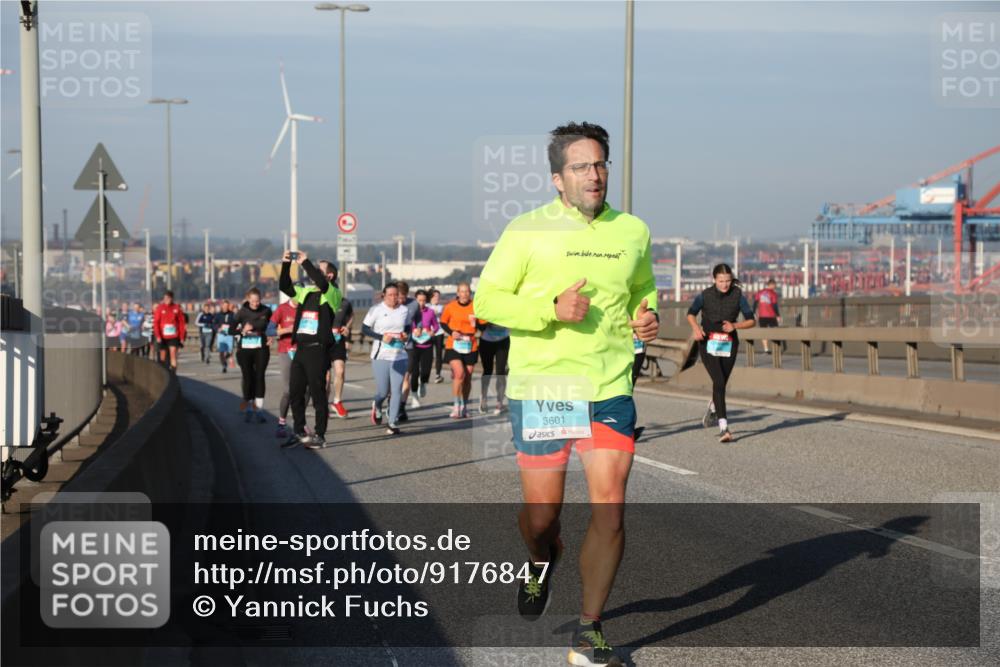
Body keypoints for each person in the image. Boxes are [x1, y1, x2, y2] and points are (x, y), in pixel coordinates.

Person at [473, 122, 658, 667]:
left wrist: (646, 316)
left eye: (600, 164)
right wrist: (547, 310)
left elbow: (642, 287)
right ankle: (540, 557)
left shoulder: (633, 231)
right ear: (558, 178)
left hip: (608, 387)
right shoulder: (527, 231)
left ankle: (589, 628)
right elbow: (488, 299)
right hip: (546, 388)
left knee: (611, 510)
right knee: (541, 515)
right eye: (580, 167)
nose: (594, 175)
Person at [278, 251, 343, 450]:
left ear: (329, 275)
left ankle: (320, 434)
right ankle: (299, 431)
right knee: (296, 393)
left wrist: (305, 262)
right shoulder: (306, 292)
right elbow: (285, 286)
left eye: (319, 269)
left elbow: (322, 284)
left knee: (317, 394)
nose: (313, 271)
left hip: (318, 350)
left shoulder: (332, 293)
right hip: (300, 349)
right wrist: (286, 264)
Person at [687, 263, 756, 442]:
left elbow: (751, 320)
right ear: (714, 280)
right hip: (708, 341)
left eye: (727, 280)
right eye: (721, 281)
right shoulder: (705, 295)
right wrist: (695, 328)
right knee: (718, 381)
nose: (725, 284)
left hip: (729, 343)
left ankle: (713, 407)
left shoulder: (738, 295)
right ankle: (724, 427)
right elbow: (691, 313)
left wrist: (735, 325)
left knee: (721, 384)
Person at [361, 283, 410, 435]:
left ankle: (392, 422)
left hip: (399, 355)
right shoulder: (376, 309)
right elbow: (364, 328)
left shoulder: (404, 310)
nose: (394, 298)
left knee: (396, 390)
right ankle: (377, 404)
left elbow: (407, 327)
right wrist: (381, 337)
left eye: (396, 295)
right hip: (380, 355)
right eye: (390, 295)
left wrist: (405, 335)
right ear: (384, 295)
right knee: (383, 392)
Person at [231, 288, 272, 423]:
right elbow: (231, 329)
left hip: (261, 348)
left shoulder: (266, 311)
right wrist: (243, 330)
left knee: (260, 376)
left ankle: (259, 410)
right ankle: (249, 407)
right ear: (248, 299)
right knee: (248, 378)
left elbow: (272, 326)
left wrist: (271, 336)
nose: (255, 303)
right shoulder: (242, 312)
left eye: (258, 301)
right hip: (245, 349)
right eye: (253, 301)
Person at [319, 260, 353, 420]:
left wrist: (347, 327)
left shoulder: (342, 300)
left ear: (330, 275)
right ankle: (323, 405)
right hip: (322, 341)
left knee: (340, 371)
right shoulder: (316, 297)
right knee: (326, 378)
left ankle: (337, 401)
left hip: (337, 340)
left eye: (320, 270)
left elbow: (350, 315)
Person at [439, 283, 479, 419]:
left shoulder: (476, 306)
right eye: (462, 291)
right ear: (458, 293)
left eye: (467, 291)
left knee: (467, 377)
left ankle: (464, 406)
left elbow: (484, 324)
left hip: (470, 344)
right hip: (454, 344)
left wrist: (478, 323)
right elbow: (443, 322)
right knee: (459, 373)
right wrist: (452, 332)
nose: (465, 294)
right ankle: (456, 406)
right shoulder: (450, 306)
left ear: (470, 293)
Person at [269, 294, 299, 438]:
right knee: (288, 390)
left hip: (303, 351)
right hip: (286, 351)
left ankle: (300, 424)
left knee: (305, 390)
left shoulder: (307, 309)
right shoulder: (282, 309)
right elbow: (269, 330)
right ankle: (281, 423)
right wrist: (287, 330)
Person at [408, 289, 439, 401]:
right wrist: (413, 331)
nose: (421, 303)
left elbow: (436, 326)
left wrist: (432, 332)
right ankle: (415, 396)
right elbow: (406, 327)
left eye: (424, 301)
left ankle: (424, 383)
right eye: (419, 300)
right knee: (415, 373)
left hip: (427, 346)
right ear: (415, 300)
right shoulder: (410, 312)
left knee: (426, 371)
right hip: (414, 347)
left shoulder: (430, 312)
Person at [396, 281, 420, 418]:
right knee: (393, 380)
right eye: (399, 296)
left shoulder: (414, 304)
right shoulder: (390, 306)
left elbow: (419, 318)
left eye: (404, 296)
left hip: (409, 346)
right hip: (393, 347)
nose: (401, 300)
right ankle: (391, 402)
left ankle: (401, 407)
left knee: (406, 377)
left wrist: (419, 327)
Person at [476, 316, 509, 415]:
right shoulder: (487, 306)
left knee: (500, 371)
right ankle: (483, 399)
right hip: (486, 341)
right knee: (487, 370)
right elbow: (480, 327)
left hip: (503, 340)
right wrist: (489, 321)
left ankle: (500, 402)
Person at [152, 290, 186, 372]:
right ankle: (164, 372)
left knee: (173, 354)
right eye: (164, 298)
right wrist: (158, 336)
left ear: (171, 298)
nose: (166, 300)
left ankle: (173, 373)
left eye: (168, 298)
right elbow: (156, 323)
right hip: (162, 337)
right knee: (162, 357)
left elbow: (182, 323)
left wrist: (181, 337)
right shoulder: (160, 308)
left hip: (173, 336)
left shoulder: (176, 308)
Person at [754, 278, 781, 353]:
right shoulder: (773, 293)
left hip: (762, 315)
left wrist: (753, 313)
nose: (775, 287)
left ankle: (766, 349)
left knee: (763, 332)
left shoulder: (760, 292)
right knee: (775, 331)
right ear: (772, 285)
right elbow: (775, 305)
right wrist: (778, 315)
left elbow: (755, 303)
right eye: (775, 285)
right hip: (771, 315)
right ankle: (776, 348)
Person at [214, 300, 236, 373]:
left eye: (227, 306)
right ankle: (224, 365)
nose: (225, 307)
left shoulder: (232, 314)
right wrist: (218, 328)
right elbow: (214, 324)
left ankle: (225, 359)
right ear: (222, 306)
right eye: (224, 306)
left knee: (230, 352)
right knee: (221, 352)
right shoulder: (218, 315)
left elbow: (236, 323)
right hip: (221, 335)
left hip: (229, 336)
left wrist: (233, 327)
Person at [429, 289, 446, 383]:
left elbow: (444, 317)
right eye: (435, 296)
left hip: (439, 332)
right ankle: (424, 373)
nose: (437, 298)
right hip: (428, 333)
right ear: (430, 297)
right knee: (428, 355)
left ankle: (438, 374)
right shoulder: (426, 306)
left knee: (439, 354)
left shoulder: (441, 307)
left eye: (438, 296)